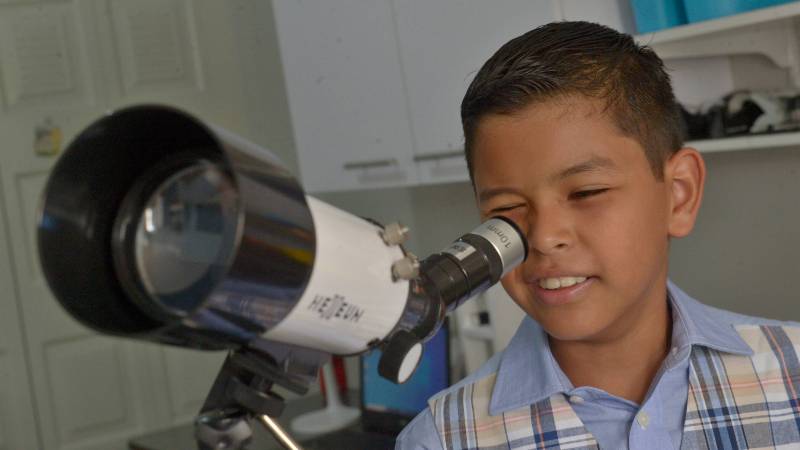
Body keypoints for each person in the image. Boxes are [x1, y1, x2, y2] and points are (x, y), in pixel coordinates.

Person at [396, 21, 800, 450]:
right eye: (505, 209)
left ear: (679, 196)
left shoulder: (791, 371)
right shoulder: (441, 440)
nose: (545, 237)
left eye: (587, 192)